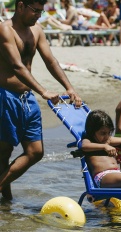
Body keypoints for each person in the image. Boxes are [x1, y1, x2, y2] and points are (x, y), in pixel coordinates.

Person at [0, 0, 82, 200]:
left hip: (26, 98)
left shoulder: (37, 30)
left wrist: (69, 87)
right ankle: (7, 200)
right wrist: (43, 91)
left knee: (36, 151)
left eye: (41, 11)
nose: (39, 15)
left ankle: (3, 194)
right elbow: (17, 66)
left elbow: (51, 61)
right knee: (3, 153)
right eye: (35, 10)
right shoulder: (4, 30)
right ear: (20, 6)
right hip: (5, 96)